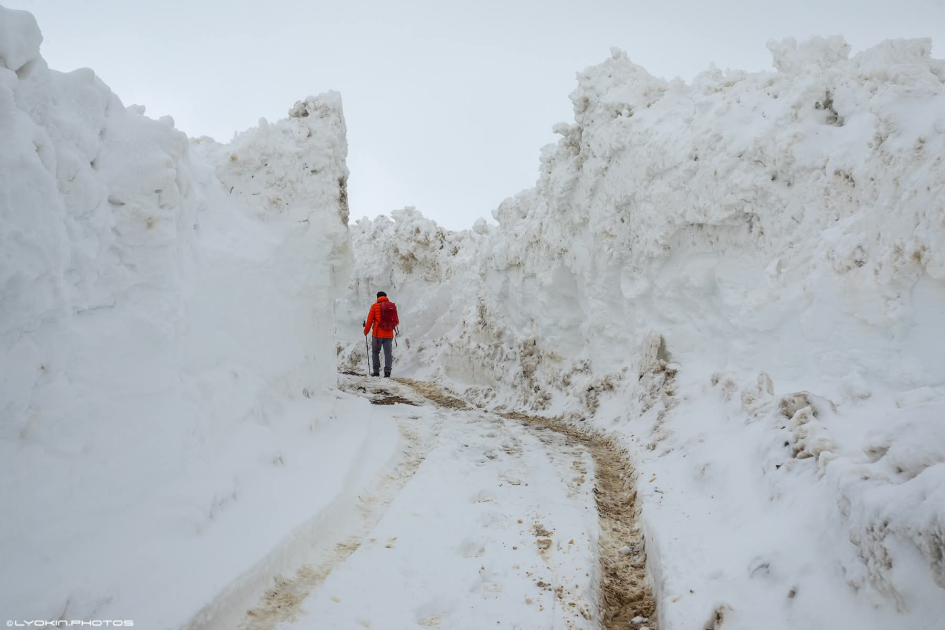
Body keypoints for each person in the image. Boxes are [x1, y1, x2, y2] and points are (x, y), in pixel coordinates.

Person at [363, 291, 399, 377]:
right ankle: (387, 372)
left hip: (377, 335)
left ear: (377, 297)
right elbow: (396, 321)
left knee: (375, 352)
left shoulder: (374, 306)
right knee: (388, 352)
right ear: (386, 297)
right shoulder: (392, 306)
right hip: (389, 334)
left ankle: (376, 372)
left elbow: (369, 321)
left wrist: (366, 331)